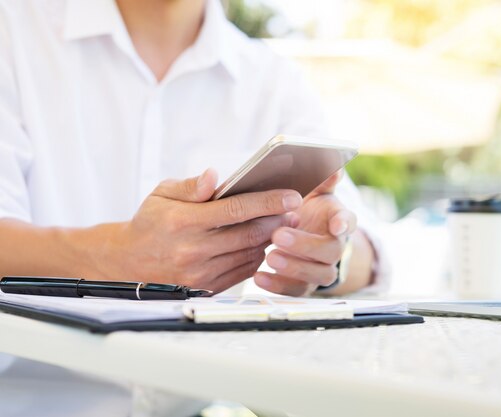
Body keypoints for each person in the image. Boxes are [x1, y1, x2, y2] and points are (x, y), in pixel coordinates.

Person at [0, 0, 389, 415]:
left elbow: (371, 248)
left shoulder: (272, 81)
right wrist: (116, 255)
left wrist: (326, 252)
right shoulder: (13, 31)